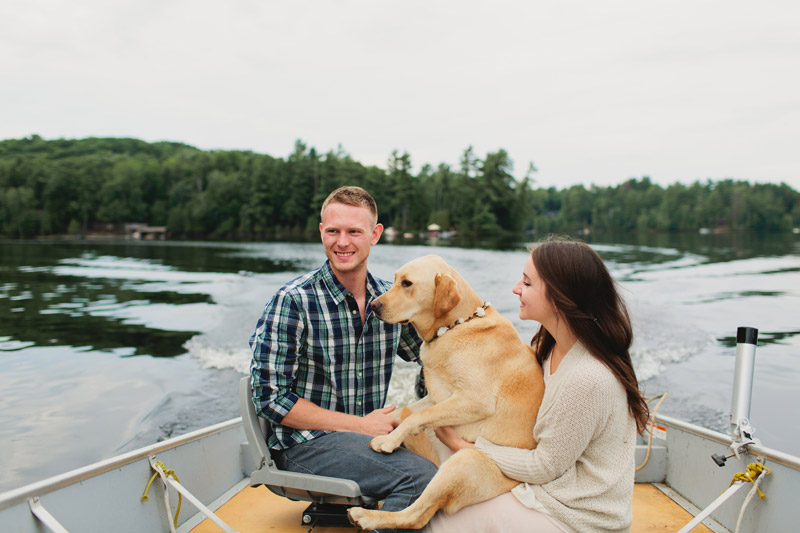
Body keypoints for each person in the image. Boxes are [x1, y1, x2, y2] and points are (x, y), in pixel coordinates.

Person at [424, 236, 649, 533]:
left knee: (437, 522)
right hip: (548, 493)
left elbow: (543, 466)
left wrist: (464, 445)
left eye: (527, 283)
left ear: (559, 297)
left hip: (579, 519)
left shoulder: (588, 379)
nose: (516, 288)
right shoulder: (549, 348)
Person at [249, 186, 437, 533]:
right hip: (304, 445)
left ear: (375, 235)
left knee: (453, 466)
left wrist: (431, 406)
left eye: (354, 231)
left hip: (365, 441)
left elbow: (432, 354)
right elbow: (270, 399)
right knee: (419, 478)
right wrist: (361, 425)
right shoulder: (293, 301)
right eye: (333, 231)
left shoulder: (391, 301)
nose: (342, 242)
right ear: (322, 232)